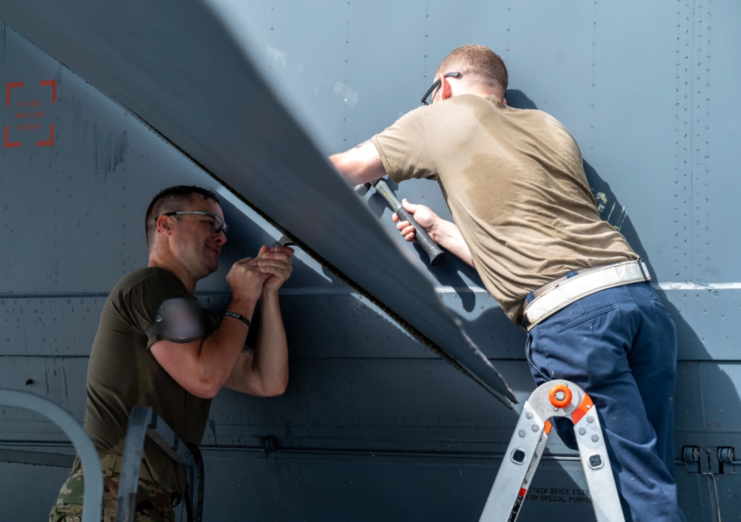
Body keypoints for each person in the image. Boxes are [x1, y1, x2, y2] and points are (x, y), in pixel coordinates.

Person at [330, 45, 684, 521]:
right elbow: (525, 252)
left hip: (578, 324)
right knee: (645, 475)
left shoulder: (438, 116)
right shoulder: (549, 128)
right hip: (637, 303)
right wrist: (437, 228)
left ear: (445, 87)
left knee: (635, 480)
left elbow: (346, 168)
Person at [49, 185, 294, 521]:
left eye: (224, 229)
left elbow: (268, 380)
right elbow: (204, 378)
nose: (221, 238)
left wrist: (267, 294)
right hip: (114, 494)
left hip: (144, 497)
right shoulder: (151, 284)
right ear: (165, 225)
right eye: (210, 223)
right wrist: (242, 300)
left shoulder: (200, 324)